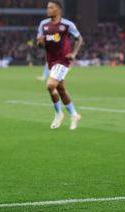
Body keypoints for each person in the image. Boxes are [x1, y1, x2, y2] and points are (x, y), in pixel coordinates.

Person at [37, 0, 83, 130]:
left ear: (58, 10)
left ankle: (58, 113)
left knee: (50, 85)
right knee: (61, 90)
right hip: (51, 61)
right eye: (47, 7)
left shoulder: (67, 25)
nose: (48, 10)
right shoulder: (43, 25)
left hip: (63, 60)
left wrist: (74, 53)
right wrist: (40, 43)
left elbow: (79, 39)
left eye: (50, 8)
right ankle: (74, 115)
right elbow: (40, 44)